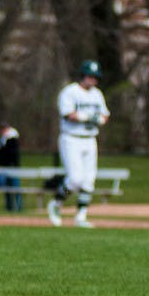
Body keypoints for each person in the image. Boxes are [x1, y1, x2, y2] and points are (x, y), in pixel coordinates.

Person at [47, 60, 110, 228]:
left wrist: (100, 120)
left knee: (89, 180)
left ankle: (81, 215)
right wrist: (88, 117)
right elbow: (68, 114)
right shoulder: (70, 92)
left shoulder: (97, 94)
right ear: (83, 75)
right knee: (75, 179)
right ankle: (56, 203)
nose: (93, 80)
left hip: (90, 139)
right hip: (72, 138)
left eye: (95, 77)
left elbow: (105, 115)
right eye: (90, 76)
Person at [0, 122, 22, 212]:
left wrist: (0, 149)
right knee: (7, 188)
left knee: (15, 187)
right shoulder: (2, 138)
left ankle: (18, 207)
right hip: (3, 167)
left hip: (12, 166)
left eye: (4, 128)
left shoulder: (13, 138)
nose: (2, 130)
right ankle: (9, 207)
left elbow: (10, 152)